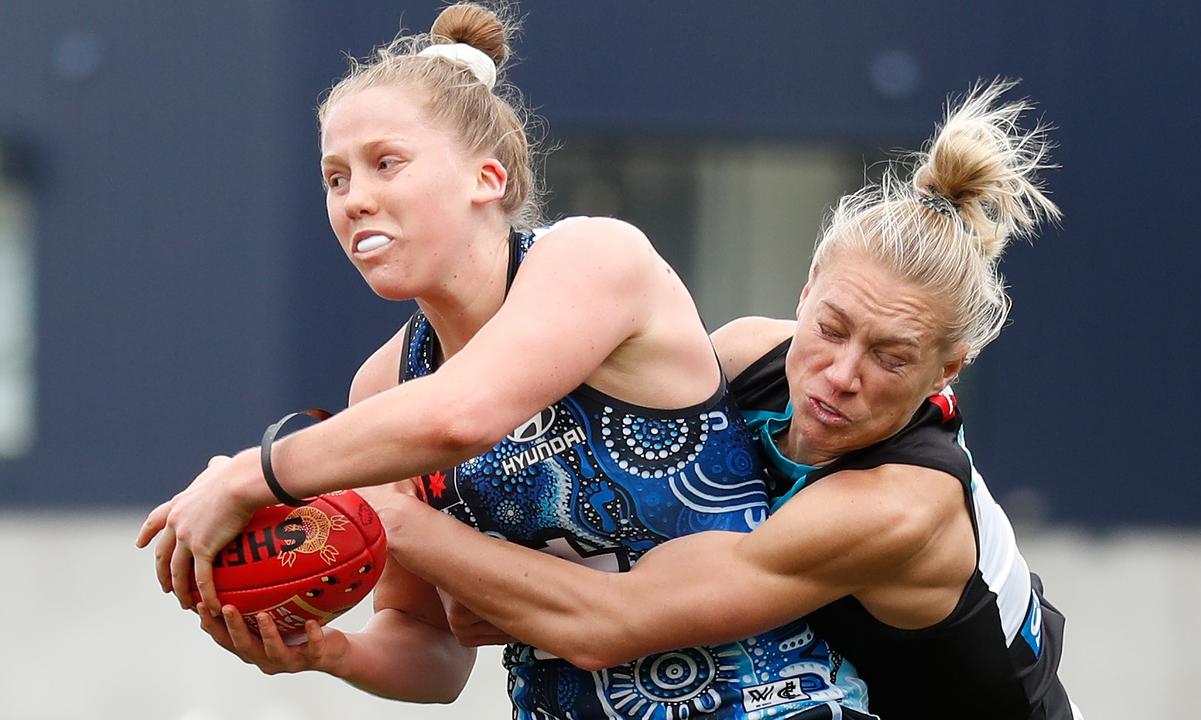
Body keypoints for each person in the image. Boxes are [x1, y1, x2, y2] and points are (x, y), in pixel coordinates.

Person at [136, 4, 870, 719]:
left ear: (487, 179)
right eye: (336, 177)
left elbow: (463, 415)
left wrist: (248, 474)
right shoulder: (386, 385)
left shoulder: (595, 258)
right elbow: (431, 646)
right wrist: (326, 652)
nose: (355, 198)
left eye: (385, 163)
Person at [366, 81, 1082, 720]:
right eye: (830, 329)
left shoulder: (903, 506)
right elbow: (616, 501)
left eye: (891, 357)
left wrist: (395, 519)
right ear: (804, 296)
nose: (840, 373)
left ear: (946, 371)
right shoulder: (744, 357)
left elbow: (607, 621)